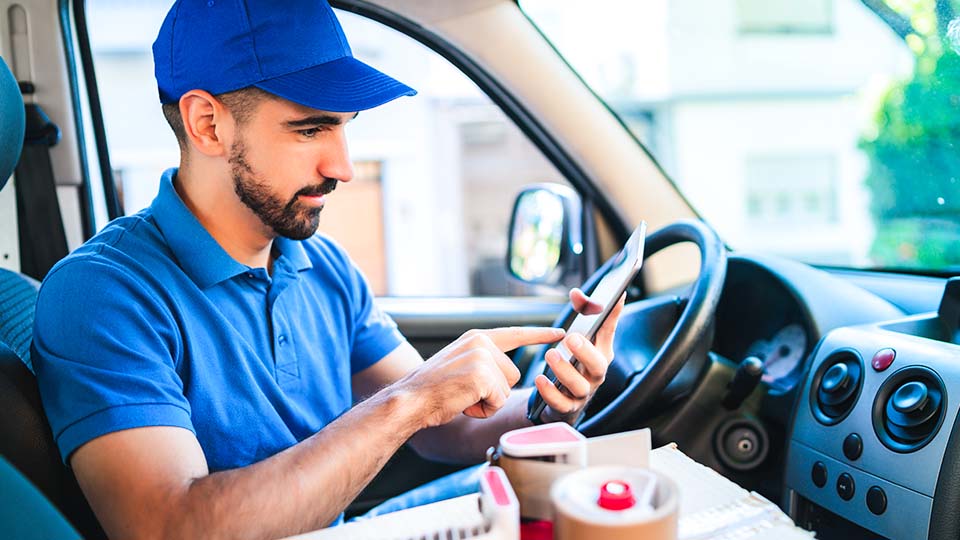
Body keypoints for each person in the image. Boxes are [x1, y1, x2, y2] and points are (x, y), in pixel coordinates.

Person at [31, 1, 624, 538]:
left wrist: (548, 404)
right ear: (207, 124)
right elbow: (170, 527)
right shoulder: (102, 294)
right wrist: (411, 399)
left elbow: (447, 429)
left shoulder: (324, 266)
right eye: (310, 129)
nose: (342, 166)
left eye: (344, 127)